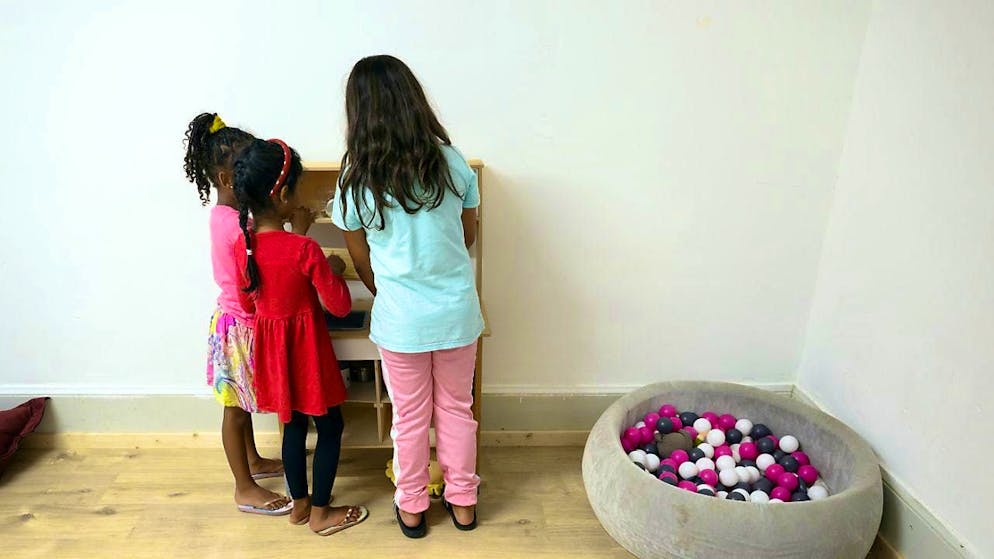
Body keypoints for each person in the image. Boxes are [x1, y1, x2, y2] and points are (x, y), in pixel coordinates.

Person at [331, 55, 483, 538]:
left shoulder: (355, 178)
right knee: (457, 410)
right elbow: (468, 236)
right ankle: (463, 502)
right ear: (414, 101)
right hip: (456, 314)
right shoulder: (452, 162)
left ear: (359, 112)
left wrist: (393, 291)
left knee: (409, 417)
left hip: (400, 321)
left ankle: (413, 507)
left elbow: (360, 261)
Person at [233, 137, 368, 535]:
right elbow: (339, 305)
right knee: (330, 427)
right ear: (283, 195)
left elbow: (248, 301)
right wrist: (333, 266)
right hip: (307, 355)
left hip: (274, 357)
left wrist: (299, 234)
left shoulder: (245, 247)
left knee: (292, 427)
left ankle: (300, 504)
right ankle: (322, 513)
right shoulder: (303, 249)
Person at [182, 112, 290, 516]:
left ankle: (254, 462)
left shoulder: (227, 216)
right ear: (228, 179)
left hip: (233, 322)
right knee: (235, 410)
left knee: (242, 405)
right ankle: (243, 487)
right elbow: (257, 278)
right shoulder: (236, 228)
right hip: (240, 328)